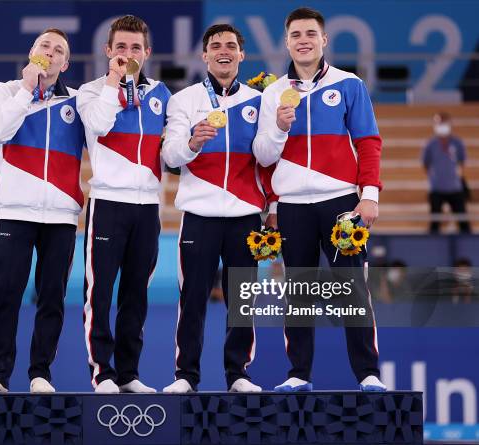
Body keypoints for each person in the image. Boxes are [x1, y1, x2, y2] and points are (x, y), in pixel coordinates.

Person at [253, 7, 386, 392]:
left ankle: (367, 373)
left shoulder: (349, 84)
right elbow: (262, 155)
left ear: (324, 40)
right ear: (287, 42)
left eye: (311, 33)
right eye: (296, 34)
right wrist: (278, 128)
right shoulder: (274, 92)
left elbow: (368, 143)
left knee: (353, 290)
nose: (304, 40)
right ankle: (298, 373)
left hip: (341, 203)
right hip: (293, 207)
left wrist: (370, 195)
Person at [0, 28, 84, 394]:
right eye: (44, 46)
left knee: (52, 298)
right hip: (14, 212)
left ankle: (40, 374)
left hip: (61, 217)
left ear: (65, 64)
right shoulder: (4, 92)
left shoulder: (80, 102)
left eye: (59, 51)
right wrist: (26, 89)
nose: (50, 53)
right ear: (32, 52)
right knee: (5, 294)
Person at [161, 23, 264, 393]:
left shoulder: (259, 99)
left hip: (246, 215)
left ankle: (238, 375)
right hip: (199, 215)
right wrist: (192, 142)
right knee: (192, 300)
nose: (224, 50)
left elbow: (267, 158)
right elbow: (168, 154)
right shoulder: (184, 100)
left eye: (231, 46)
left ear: (241, 55)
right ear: (204, 55)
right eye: (216, 45)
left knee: (243, 301)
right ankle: (186, 376)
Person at [77, 15, 171, 394]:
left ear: (146, 52)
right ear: (108, 50)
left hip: (147, 206)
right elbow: (98, 125)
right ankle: (102, 372)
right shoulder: (90, 91)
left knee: (137, 293)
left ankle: (129, 373)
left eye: (135, 48)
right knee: (99, 292)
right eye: (121, 47)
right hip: (107, 204)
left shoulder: (162, 94)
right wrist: (115, 83)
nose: (128, 54)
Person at [422, 112, 471, 234]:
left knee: (464, 224)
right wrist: (434, 178)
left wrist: (455, 176)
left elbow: (462, 161)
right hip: (437, 189)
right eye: (439, 123)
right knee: (434, 224)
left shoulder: (457, 143)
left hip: (455, 188)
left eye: (444, 123)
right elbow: (425, 163)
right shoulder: (430, 144)